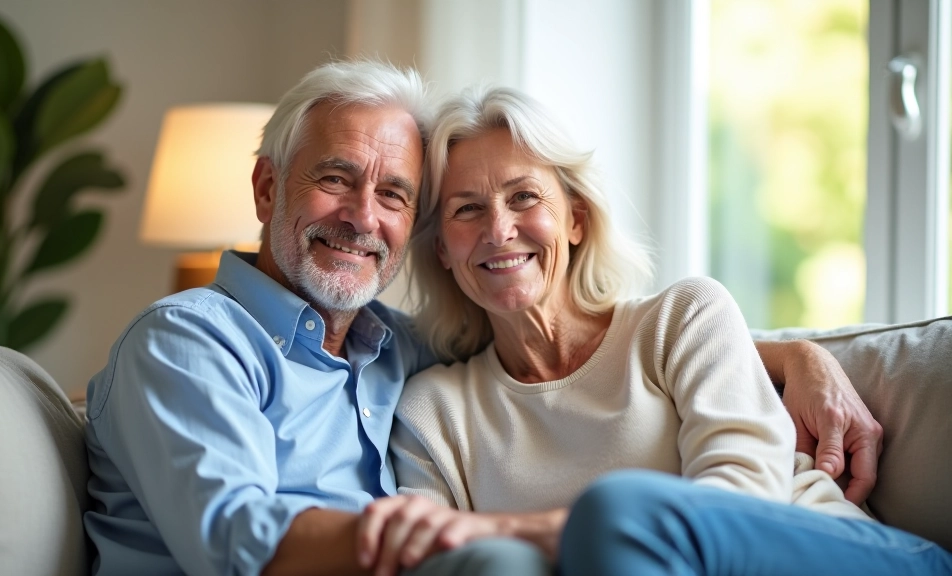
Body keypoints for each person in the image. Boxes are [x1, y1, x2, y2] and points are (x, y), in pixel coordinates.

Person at [83, 60, 883, 576]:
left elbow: (725, 503)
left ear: (575, 217)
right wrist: (454, 539)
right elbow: (238, 542)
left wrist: (789, 357)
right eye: (465, 209)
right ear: (266, 190)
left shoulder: (390, 350)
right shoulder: (201, 345)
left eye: (393, 193)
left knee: (607, 519)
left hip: (820, 553)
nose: (364, 216)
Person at [355, 86, 952, 576]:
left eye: (524, 196)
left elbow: (737, 506)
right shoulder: (433, 414)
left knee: (619, 509)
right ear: (440, 252)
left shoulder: (683, 317)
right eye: (466, 209)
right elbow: (435, 557)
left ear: (577, 221)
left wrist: (531, 528)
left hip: (838, 555)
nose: (500, 229)